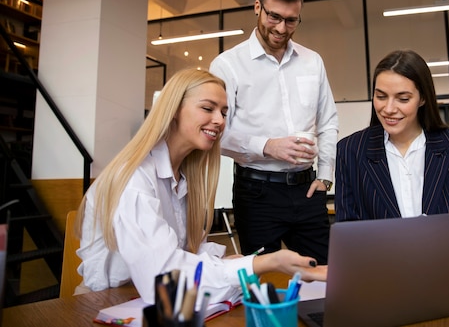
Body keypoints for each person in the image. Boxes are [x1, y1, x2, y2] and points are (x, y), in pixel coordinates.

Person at [75, 68, 326, 307]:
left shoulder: (184, 178)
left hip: (149, 303)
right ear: (173, 110)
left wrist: (229, 262)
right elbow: (164, 280)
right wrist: (266, 262)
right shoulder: (134, 179)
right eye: (208, 108)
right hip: (106, 305)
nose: (219, 121)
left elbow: (184, 251)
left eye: (224, 113)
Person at [334, 50, 449, 276]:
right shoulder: (351, 150)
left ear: (423, 98)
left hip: (442, 274)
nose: (389, 108)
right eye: (381, 96)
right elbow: (347, 229)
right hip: (381, 277)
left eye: (403, 98)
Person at [209, 0, 338, 264]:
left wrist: (326, 176)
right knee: (263, 281)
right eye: (274, 16)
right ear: (258, 8)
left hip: (308, 190)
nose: (281, 28)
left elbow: (328, 120)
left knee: (323, 274)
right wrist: (268, 146)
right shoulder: (227, 65)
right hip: (257, 193)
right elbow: (216, 132)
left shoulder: (312, 61)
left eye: (291, 20)